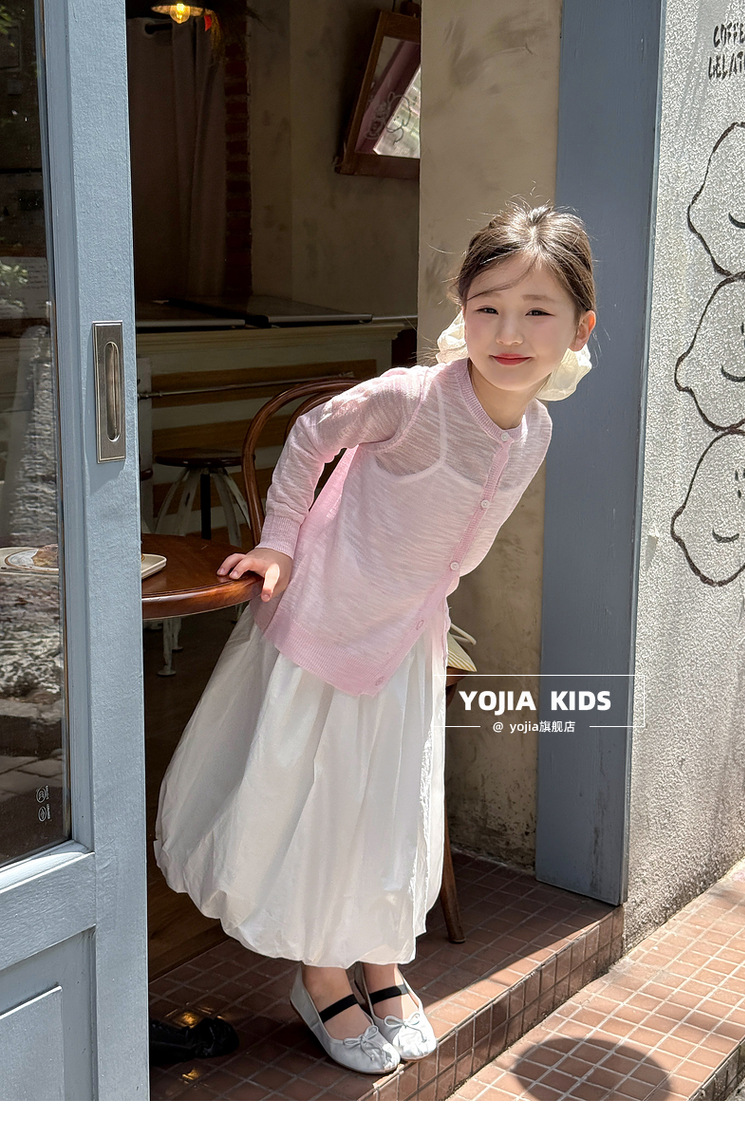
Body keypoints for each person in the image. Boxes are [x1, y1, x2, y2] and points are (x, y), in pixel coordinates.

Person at [154, 202, 597, 1076]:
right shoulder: (412, 397)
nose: (509, 332)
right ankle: (321, 974)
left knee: (390, 806)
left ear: (580, 327)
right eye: (488, 307)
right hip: (323, 629)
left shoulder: (536, 431)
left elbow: (461, 535)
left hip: (403, 639)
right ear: (461, 310)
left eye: (537, 310)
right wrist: (280, 541)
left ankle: (383, 961)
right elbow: (312, 434)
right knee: (324, 802)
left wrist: (432, 608)